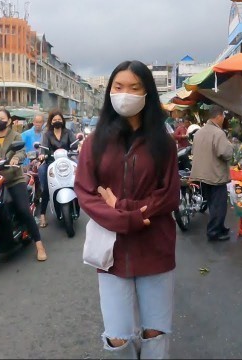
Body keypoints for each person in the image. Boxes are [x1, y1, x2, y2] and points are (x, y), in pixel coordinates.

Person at [74, 60, 180, 359]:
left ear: (147, 94)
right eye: (119, 87)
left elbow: (169, 196)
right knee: (117, 337)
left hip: (155, 246)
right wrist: (129, 219)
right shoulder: (93, 144)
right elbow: (86, 194)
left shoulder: (165, 144)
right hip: (111, 252)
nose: (125, 94)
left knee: (155, 332)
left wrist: (120, 207)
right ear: (109, 92)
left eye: (134, 88)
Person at [0, 110, 47, 261]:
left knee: (24, 210)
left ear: (9, 121)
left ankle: (39, 246)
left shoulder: (15, 136)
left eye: (2, 118)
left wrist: (16, 159)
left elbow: (21, 152)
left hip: (14, 179)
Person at [190, 105, 234, 242]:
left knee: (212, 204)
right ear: (219, 116)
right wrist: (231, 148)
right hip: (215, 174)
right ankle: (214, 232)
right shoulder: (218, 133)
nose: (223, 119)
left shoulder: (200, 132)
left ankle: (219, 227)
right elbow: (225, 153)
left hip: (201, 174)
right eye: (223, 117)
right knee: (219, 205)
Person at [37, 110, 78, 228]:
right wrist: (42, 155)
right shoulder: (47, 134)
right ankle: (43, 214)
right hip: (51, 163)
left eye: (59, 119)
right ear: (51, 121)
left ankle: (85, 198)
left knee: (80, 168)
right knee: (44, 184)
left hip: (67, 163)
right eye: (54, 120)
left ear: (63, 121)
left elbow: (75, 145)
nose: (57, 121)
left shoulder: (68, 132)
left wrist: (77, 149)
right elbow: (43, 149)